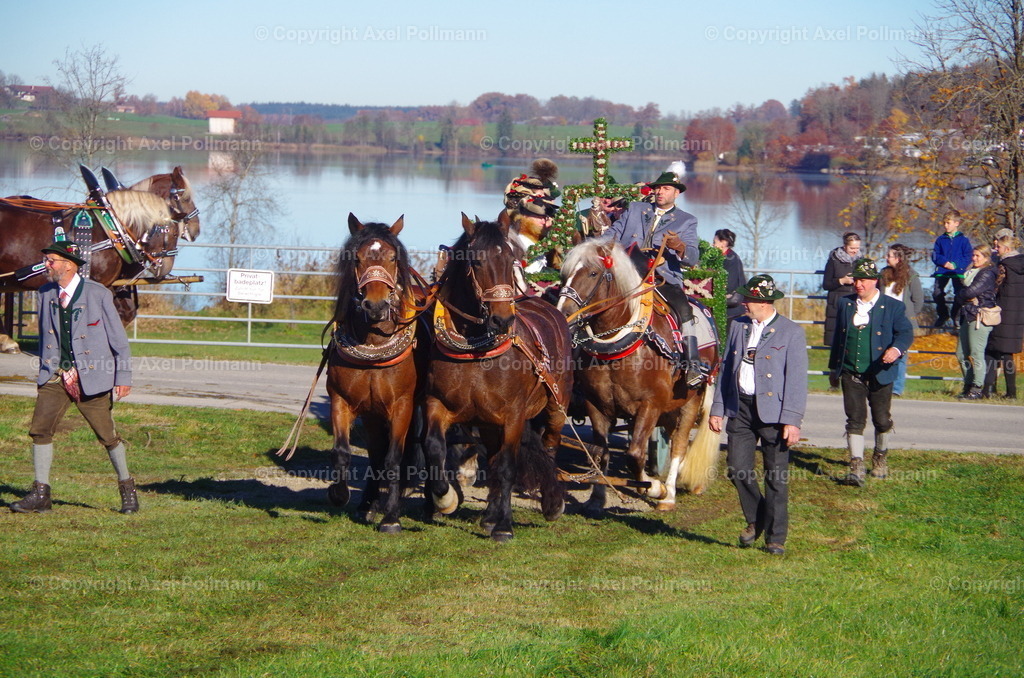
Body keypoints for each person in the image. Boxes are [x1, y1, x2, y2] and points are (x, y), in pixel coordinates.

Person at [9, 241, 136, 514]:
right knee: (40, 430)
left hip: (93, 377)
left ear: (68, 264)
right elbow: (45, 336)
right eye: (46, 260)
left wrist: (122, 376)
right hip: (54, 376)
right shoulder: (44, 293)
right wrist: (46, 367)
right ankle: (41, 495)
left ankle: (128, 489)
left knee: (107, 436)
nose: (46, 265)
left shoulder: (98, 294)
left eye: (51, 261)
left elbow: (119, 341)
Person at [709, 274, 807, 556]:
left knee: (776, 477)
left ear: (763, 303)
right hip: (739, 408)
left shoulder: (791, 332)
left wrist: (792, 419)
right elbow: (726, 369)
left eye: (747, 299)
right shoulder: (738, 326)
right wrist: (718, 409)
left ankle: (776, 538)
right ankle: (758, 517)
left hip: (774, 414)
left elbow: (797, 380)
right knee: (738, 469)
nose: (742, 304)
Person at [605, 169, 702, 386]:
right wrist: (595, 247)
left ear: (676, 193)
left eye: (666, 188)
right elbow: (612, 234)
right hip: (626, 274)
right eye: (657, 187)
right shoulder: (635, 209)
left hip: (662, 278)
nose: (659, 192)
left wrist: (680, 247)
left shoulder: (687, 221)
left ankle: (692, 363)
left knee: (684, 308)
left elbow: (693, 257)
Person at [828, 258, 913, 487]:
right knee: (854, 419)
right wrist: (833, 369)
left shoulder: (893, 306)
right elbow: (839, 338)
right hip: (850, 372)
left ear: (875, 281)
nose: (858, 284)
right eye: (856, 280)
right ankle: (856, 465)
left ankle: (880, 456)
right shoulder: (845, 304)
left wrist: (896, 350)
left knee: (882, 419)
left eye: (863, 280)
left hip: (880, 372)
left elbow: (905, 333)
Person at [954, 245, 998, 400]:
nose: (974, 258)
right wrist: (963, 296)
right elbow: (965, 293)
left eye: (978, 256)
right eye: (973, 255)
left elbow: (970, 291)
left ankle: (977, 387)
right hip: (968, 314)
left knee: (976, 353)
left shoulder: (987, 273)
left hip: (979, 316)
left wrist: (961, 296)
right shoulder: (971, 273)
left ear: (986, 258)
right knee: (961, 353)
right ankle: (968, 384)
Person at [880, 244, 925, 396]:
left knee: (900, 353)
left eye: (889, 256)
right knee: (882, 351)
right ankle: (882, 384)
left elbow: (918, 301)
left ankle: (897, 389)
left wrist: (908, 316)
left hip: (902, 321)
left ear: (898, 259)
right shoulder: (883, 274)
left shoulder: (911, 275)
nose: (886, 258)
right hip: (884, 319)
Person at [984, 232, 1023, 399]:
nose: (996, 249)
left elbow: (995, 287)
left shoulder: (1004, 265)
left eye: (998, 247)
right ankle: (1010, 392)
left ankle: (988, 389)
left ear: (1006, 248)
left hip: (1003, 312)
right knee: (1007, 353)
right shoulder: (1021, 264)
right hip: (1018, 314)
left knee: (992, 351)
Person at [931, 209, 973, 328]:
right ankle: (943, 315)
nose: (946, 225)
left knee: (959, 295)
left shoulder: (963, 240)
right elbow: (935, 254)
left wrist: (955, 264)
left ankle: (955, 316)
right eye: (944, 223)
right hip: (943, 271)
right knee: (936, 293)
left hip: (957, 271)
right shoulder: (940, 239)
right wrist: (944, 262)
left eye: (948, 223)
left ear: (956, 223)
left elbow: (968, 256)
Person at [822, 232, 862, 346]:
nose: (855, 251)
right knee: (836, 341)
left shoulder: (861, 261)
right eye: (852, 248)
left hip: (855, 303)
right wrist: (841, 281)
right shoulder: (833, 261)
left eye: (857, 248)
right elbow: (826, 284)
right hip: (836, 304)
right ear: (845, 246)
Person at [713, 228, 746, 326]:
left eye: (715, 242)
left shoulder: (732, 259)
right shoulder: (723, 257)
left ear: (723, 243)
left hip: (731, 309)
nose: (713, 245)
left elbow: (729, 284)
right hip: (726, 307)